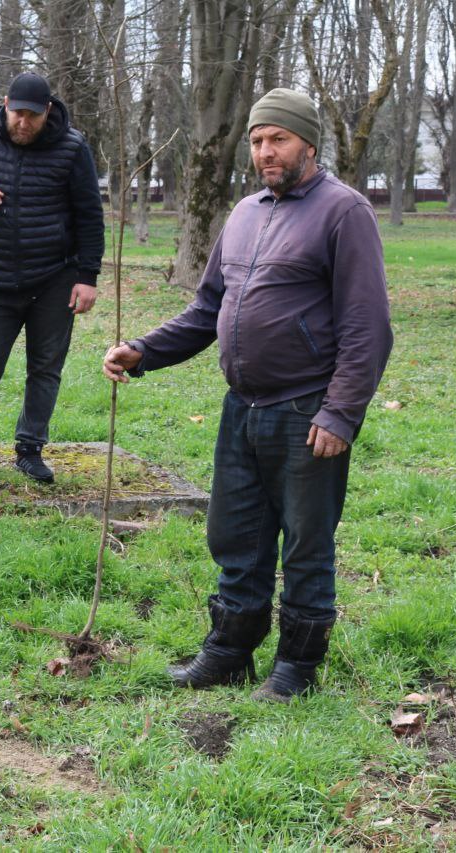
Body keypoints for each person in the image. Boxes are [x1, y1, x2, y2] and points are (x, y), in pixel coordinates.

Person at [103, 88, 393, 701]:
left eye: (278, 139)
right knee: (236, 535)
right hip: (242, 406)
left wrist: (340, 413)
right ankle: (229, 652)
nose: (265, 151)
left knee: (306, 542)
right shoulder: (244, 213)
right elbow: (207, 308)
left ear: (308, 143)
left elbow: (368, 327)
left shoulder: (345, 212)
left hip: (307, 409)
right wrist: (144, 350)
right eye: (258, 140)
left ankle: (296, 668)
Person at [0, 71, 105, 483]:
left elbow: (90, 214)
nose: (24, 123)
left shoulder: (72, 147)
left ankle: (30, 449)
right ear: (6, 105)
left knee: (45, 368)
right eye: (18, 114)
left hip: (54, 277)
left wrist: (87, 276)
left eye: (33, 115)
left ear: (47, 111)